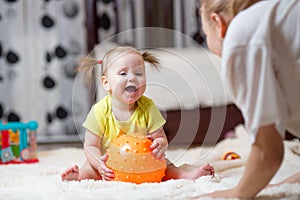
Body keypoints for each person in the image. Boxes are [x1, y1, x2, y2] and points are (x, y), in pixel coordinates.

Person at [61, 46, 214, 182]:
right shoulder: (99, 110)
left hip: (142, 162)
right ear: (106, 83)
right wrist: (98, 163)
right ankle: (78, 177)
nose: (132, 77)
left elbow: (160, 137)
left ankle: (186, 176)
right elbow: (90, 145)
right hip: (108, 165)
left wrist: (160, 145)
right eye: (123, 73)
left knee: (165, 164)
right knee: (90, 169)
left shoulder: (148, 107)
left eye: (139, 73)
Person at [197, 0, 300, 198]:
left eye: (205, 34)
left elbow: (267, 153)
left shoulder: (242, 35)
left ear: (218, 23)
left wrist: (235, 192)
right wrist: (288, 182)